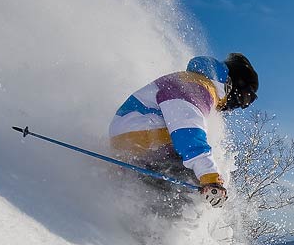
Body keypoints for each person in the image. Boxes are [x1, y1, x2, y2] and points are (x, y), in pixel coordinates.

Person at [108, 53, 258, 209]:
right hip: (143, 135)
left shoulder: (194, 82)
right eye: (245, 98)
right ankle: (163, 225)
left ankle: (138, 212)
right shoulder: (198, 86)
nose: (239, 106)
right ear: (233, 83)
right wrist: (209, 176)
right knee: (191, 186)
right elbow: (187, 130)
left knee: (171, 185)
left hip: (136, 140)